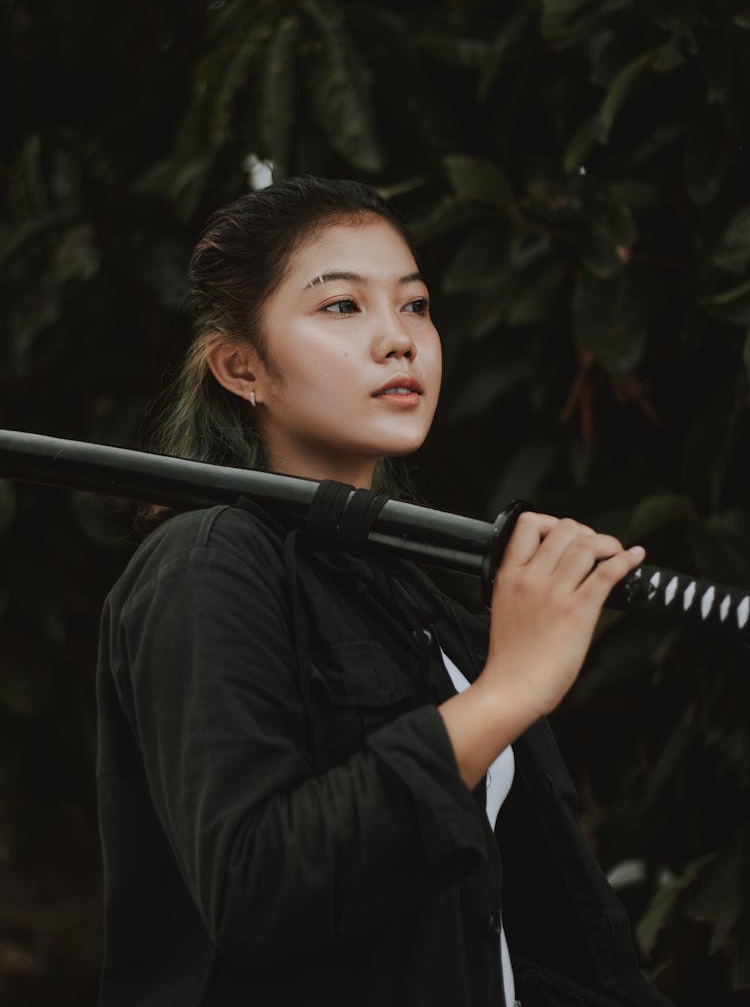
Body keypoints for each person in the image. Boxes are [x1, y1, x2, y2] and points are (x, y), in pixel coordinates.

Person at [96, 176, 673, 1007]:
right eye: (342, 307)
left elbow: (508, 944)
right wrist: (508, 690)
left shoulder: (416, 595)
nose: (398, 340)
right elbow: (257, 886)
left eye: (415, 306)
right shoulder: (206, 561)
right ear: (240, 365)